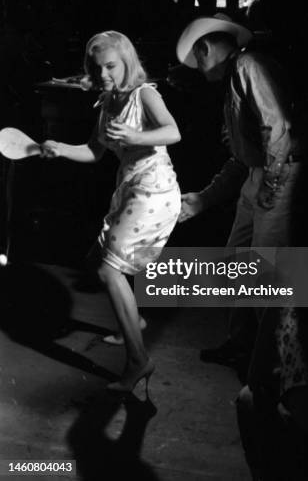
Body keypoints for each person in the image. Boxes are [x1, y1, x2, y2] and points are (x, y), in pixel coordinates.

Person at [40, 31, 181, 392]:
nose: (103, 73)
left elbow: (172, 132)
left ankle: (138, 361)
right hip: (131, 188)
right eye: (96, 66)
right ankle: (133, 323)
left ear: (127, 62)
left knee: (108, 269)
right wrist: (59, 148)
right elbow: (93, 151)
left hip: (155, 191)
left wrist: (136, 138)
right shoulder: (106, 100)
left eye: (111, 66)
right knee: (99, 262)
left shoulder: (143, 94)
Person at [176, 14, 302, 364]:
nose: (199, 69)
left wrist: (272, 186)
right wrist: (204, 199)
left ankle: (271, 364)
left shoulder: (248, 65)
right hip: (261, 172)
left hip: (280, 171)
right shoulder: (237, 74)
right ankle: (243, 344)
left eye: (198, 60)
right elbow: (241, 158)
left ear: (204, 48)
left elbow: (277, 128)